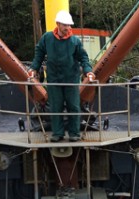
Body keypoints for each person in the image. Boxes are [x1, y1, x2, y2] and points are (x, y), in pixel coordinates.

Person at [28, 10, 95, 142]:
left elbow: (83, 57)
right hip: (54, 80)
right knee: (55, 107)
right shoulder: (47, 38)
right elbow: (39, 53)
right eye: (66, 25)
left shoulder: (75, 41)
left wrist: (88, 71)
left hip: (71, 80)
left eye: (70, 25)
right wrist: (34, 68)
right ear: (58, 24)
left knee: (74, 107)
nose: (68, 28)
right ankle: (57, 134)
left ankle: (74, 134)